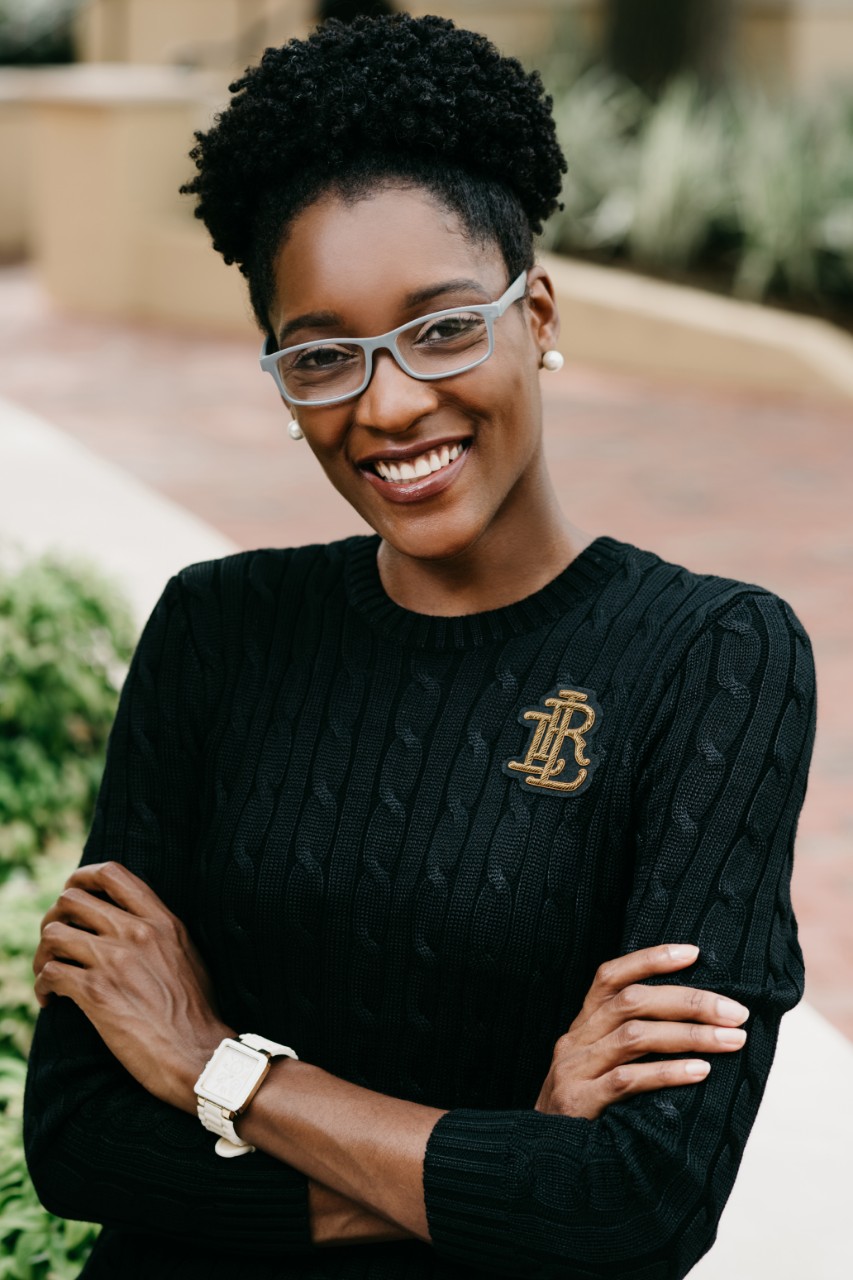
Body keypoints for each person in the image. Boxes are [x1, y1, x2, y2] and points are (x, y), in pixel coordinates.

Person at [24, 14, 816, 1280]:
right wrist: (512, 1152)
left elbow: (638, 1202)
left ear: (536, 311)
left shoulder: (712, 657)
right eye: (324, 355)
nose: (388, 403)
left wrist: (215, 1066)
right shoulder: (217, 630)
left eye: (444, 326)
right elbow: (78, 1137)